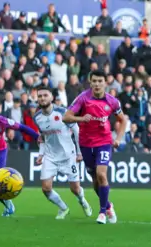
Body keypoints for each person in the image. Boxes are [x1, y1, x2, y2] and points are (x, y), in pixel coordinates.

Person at [65, 70, 128, 225]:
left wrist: (118, 138)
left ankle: (101, 213)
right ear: (90, 82)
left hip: (104, 142)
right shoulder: (83, 98)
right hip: (86, 143)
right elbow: (66, 117)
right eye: (94, 81)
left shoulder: (112, 101)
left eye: (100, 81)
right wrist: (81, 118)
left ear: (105, 83)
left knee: (102, 174)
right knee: (95, 181)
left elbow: (123, 120)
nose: (97, 84)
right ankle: (108, 205)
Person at [34, 86, 92, 219]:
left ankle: (83, 201)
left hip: (68, 156)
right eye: (40, 96)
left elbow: (77, 131)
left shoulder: (63, 113)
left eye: (45, 95)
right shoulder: (37, 117)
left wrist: (79, 152)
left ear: (52, 97)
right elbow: (42, 137)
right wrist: (41, 154)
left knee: (75, 189)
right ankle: (63, 208)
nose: (42, 98)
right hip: (50, 156)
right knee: (46, 188)